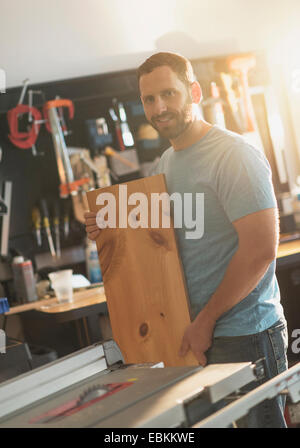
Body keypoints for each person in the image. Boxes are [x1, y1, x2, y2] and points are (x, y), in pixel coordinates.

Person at [84, 52, 288, 428]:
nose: (159, 107)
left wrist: (206, 321)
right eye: (149, 99)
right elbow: (160, 241)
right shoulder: (166, 165)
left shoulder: (234, 155)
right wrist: (107, 225)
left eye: (168, 94)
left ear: (193, 91)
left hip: (245, 334)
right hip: (191, 337)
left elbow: (260, 250)